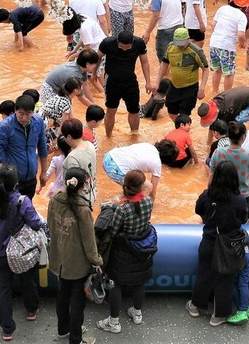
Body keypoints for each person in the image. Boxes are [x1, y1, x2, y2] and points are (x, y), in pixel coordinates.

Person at [0, 163, 46, 340]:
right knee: (26, 279)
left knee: (3, 289)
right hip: (19, 250)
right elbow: (36, 223)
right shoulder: (22, 201)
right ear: (17, 182)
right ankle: (31, 310)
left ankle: (7, 329)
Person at [188, 160, 249, 327]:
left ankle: (195, 306)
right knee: (225, 280)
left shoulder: (206, 195)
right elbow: (244, 218)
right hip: (229, 246)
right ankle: (218, 315)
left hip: (208, 242)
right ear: (234, 179)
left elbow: (198, 210)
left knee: (203, 275)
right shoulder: (240, 200)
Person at [48, 167, 103, 344]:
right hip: (77, 264)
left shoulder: (54, 201)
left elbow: (50, 227)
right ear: (83, 186)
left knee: (62, 296)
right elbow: (89, 241)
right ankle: (76, 338)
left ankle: (63, 330)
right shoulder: (83, 209)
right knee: (77, 301)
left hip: (59, 259)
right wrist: (97, 261)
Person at [96, 170, 155, 334]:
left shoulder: (122, 209)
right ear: (141, 186)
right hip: (141, 249)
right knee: (139, 281)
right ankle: (137, 313)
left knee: (115, 283)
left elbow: (113, 231)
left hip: (123, 252)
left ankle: (114, 322)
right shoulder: (149, 202)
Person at [0, 93, 49, 197]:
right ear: (15, 111)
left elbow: (42, 148)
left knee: (26, 209)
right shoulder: (4, 127)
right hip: (12, 182)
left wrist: (44, 172)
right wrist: (5, 182)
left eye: (28, 114)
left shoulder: (38, 122)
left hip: (31, 179)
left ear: (33, 112)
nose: (24, 118)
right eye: (21, 113)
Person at [97, 31, 152, 137]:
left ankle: (134, 136)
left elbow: (144, 62)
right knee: (110, 111)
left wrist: (148, 82)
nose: (124, 49)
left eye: (128, 47)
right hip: (112, 82)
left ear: (132, 43)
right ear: (117, 42)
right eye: (121, 47)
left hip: (130, 81)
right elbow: (98, 57)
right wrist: (94, 72)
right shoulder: (107, 43)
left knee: (134, 110)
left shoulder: (139, 43)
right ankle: (108, 137)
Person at [160, 27, 209, 120]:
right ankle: (181, 129)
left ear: (188, 39)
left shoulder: (196, 51)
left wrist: (202, 88)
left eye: (181, 43)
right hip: (174, 86)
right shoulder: (170, 46)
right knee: (171, 112)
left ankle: (183, 130)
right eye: (177, 43)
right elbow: (164, 63)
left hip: (189, 88)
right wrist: (157, 82)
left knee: (184, 115)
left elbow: (205, 69)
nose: (179, 46)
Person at [103, 141, 176, 199]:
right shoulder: (157, 164)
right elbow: (152, 192)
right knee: (148, 187)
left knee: (136, 184)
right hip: (115, 169)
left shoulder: (148, 145)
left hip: (108, 157)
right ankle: (120, 203)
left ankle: (121, 199)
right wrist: (151, 206)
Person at [141, 0, 184, 64]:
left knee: (164, 61)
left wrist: (147, 32)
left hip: (165, 31)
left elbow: (155, 16)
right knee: (178, 58)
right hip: (180, 28)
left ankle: (165, 78)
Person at [208, 0, 248, 92]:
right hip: (227, 46)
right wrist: (242, 44)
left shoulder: (222, 8)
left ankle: (214, 92)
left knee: (217, 70)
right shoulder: (241, 15)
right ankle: (226, 95)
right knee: (229, 73)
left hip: (214, 43)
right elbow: (241, 35)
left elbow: (213, 24)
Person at [62, 118, 98, 206]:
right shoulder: (90, 145)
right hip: (92, 192)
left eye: (64, 136)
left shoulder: (72, 158)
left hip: (79, 200)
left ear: (69, 137)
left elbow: (73, 185)